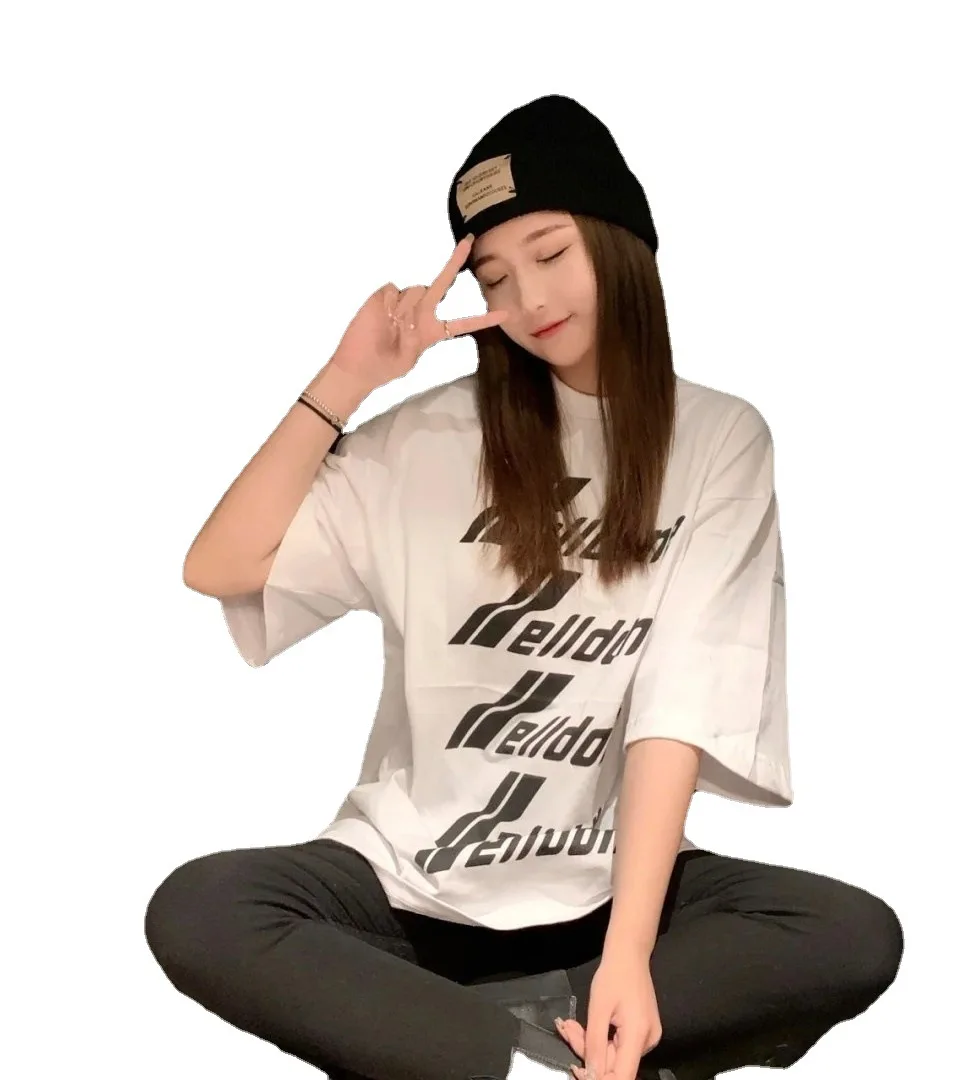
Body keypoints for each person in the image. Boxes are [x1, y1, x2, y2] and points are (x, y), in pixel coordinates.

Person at [144, 94, 903, 1080]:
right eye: (495, 276)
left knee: (849, 933)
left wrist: (628, 958)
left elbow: (677, 704)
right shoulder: (427, 440)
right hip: (408, 894)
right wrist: (347, 377)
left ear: (621, 244)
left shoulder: (719, 440)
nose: (530, 297)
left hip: (604, 896)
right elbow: (220, 566)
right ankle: (540, 1052)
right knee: (203, 909)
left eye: (550, 253)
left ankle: (464, 1039)